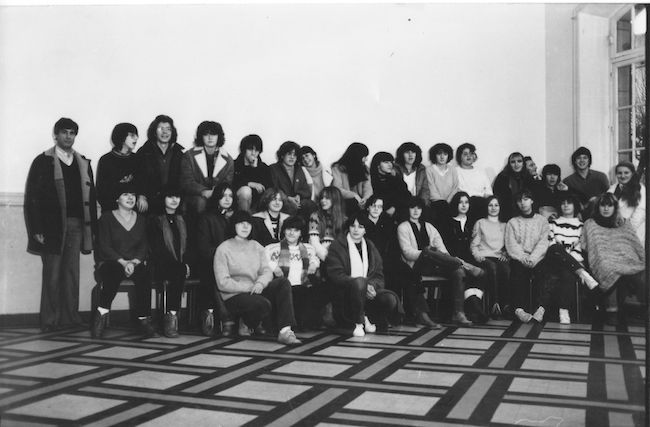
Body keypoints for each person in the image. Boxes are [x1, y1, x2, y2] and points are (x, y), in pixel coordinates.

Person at [24, 118, 97, 332]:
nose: (68, 136)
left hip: (76, 225)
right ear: (55, 135)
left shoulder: (83, 162)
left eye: (72, 133)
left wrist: (92, 230)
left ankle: (70, 318)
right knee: (53, 273)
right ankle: (50, 320)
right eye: (64, 132)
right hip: (52, 227)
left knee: (72, 273)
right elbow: (32, 198)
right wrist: (37, 229)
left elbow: (91, 198)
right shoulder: (43, 161)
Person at [214, 210, 302, 344]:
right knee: (262, 304)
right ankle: (246, 321)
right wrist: (249, 287)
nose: (245, 227)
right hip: (234, 295)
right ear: (233, 226)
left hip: (256, 289)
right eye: (241, 223)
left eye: (248, 224)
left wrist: (260, 283)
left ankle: (285, 331)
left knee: (283, 283)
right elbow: (222, 282)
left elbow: (266, 271)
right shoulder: (223, 249)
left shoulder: (256, 246)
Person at [92, 183, 156, 339]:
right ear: (117, 199)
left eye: (133, 195)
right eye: (125, 194)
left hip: (134, 263)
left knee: (145, 275)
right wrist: (123, 262)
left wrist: (133, 262)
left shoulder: (141, 219)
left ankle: (144, 320)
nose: (130, 198)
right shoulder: (106, 217)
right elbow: (104, 246)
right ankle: (101, 316)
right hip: (111, 262)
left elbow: (143, 246)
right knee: (112, 273)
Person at [397, 196, 473, 326]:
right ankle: (463, 264)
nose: (416, 211)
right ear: (408, 209)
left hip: (436, 265)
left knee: (458, 272)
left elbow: (443, 251)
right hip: (416, 266)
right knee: (428, 251)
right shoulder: (403, 227)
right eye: (412, 208)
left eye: (419, 208)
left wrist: (437, 255)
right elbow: (407, 253)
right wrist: (426, 253)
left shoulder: (429, 227)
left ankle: (459, 313)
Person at [326, 213, 401, 335]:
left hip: (367, 294)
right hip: (345, 294)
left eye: (360, 227)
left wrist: (371, 286)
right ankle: (358, 323)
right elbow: (336, 275)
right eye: (353, 226)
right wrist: (361, 285)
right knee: (360, 282)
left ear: (365, 230)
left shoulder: (370, 246)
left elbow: (379, 275)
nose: (356, 230)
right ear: (348, 228)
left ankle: (369, 319)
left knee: (390, 299)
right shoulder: (337, 245)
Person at [582, 193, 645, 325]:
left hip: (628, 259)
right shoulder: (590, 224)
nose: (606, 208)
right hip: (604, 261)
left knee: (641, 272)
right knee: (609, 267)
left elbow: (635, 244)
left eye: (609, 205)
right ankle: (612, 311)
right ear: (598, 207)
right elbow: (590, 247)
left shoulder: (624, 223)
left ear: (615, 207)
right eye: (603, 205)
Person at [537, 193, 598, 324]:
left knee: (567, 272)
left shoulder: (582, 226)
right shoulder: (552, 223)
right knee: (555, 248)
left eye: (569, 203)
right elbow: (550, 244)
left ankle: (563, 310)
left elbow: (581, 246)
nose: (565, 205)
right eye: (563, 203)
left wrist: (567, 257)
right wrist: (565, 254)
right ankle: (582, 273)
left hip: (571, 263)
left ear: (575, 206)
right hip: (554, 260)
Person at [265, 216, 325, 330]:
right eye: (289, 229)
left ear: (301, 233)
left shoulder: (308, 248)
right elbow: (264, 260)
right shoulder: (272, 248)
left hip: (302, 287)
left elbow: (315, 259)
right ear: (284, 230)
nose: (292, 233)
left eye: (296, 230)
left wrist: (313, 264)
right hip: (282, 290)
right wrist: (274, 266)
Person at [147, 186, 191, 338]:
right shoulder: (155, 220)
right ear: (163, 199)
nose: (174, 200)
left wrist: (186, 263)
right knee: (178, 270)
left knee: (181, 269)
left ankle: (171, 315)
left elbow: (189, 246)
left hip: (180, 264)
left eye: (177, 197)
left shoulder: (183, 219)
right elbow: (156, 249)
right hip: (159, 264)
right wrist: (179, 265)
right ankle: (171, 317)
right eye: (170, 197)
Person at [196, 183, 235, 337]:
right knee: (215, 274)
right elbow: (203, 248)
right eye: (223, 196)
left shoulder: (235, 218)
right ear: (216, 197)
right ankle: (224, 319)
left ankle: (247, 319)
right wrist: (223, 258)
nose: (227, 199)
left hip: (233, 262)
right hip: (211, 261)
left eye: (230, 196)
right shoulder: (206, 217)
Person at [505, 189, 550, 323]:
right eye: (519, 200)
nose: (523, 203)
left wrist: (533, 258)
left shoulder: (542, 221)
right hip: (519, 258)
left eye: (526, 199)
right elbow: (511, 244)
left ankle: (540, 309)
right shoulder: (512, 222)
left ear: (532, 201)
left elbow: (544, 242)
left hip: (538, 257)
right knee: (517, 272)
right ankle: (519, 309)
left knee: (544, 272)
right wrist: (523, 257)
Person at [442, 192, 488, 323]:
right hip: (453, 261)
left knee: (483, 271)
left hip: (471, 260)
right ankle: (474, 309)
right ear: (455, 204)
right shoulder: (447, 222)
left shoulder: (473, 222)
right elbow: (446, 248)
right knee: (464, 273)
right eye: (460, 202)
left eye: (466, 202)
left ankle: (474, 307)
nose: (464, 205)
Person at [180, 121, 234, 216]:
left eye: (213, 134)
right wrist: (203, 191)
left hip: (218, 197)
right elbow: (187, 182)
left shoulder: (228, 160)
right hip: (195, 197)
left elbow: (227, 183)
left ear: (219, 136)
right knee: (201, 202)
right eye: (206, 134)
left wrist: (216, 193)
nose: (210, 137)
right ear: (201, 136)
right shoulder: (189, 156)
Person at [135, 115, 185, 215]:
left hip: (172, 198)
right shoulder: (144, 152)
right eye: (161, 128)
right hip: (151, 198)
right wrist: (141, 196)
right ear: (154, 131)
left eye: (168, 129)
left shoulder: (178, 152)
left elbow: (182, 179)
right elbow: (139, 177)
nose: (165, 132)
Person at [471, 196, 511, 319]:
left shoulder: (505, 225)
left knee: (506, 269)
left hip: (498, 257)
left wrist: (505, 254)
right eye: (490, 205)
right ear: (486, 207)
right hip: (484, 257)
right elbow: (474, 244)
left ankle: (505, 305)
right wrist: (477, 256)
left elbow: (509, 244)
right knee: (492, 267)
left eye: (496, 205)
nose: (493, 208)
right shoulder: (480, 223)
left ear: (500, 207)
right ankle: (494, 305)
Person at [96, 123, 140, 212]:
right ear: (122, 136)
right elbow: (102, 190)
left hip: (134, 211)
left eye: (136, 135)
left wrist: (142, 197)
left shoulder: (137, 158)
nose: (136, 138)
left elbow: (142, 184)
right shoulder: (106, 160)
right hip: (112, 210)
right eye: (132, 135)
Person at [269, 141, 315, 216]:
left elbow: (306, 190)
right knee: (291, 208)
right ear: (282, 155)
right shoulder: (273, 168)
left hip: (298, 202)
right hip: (281, 201)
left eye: (295, 155)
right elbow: (273, 189)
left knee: (311, 205)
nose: (292, 157)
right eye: (289, 154)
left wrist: (299, 196)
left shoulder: (299, 169)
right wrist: (287, 198)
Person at [562, 147, 609, 217]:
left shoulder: (601, 176)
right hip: (578, 216)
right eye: (578, 158)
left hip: (600, 215)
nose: (582, 160)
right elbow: (567, 202)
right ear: (574, 161)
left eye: (585, 158)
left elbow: (609, 198)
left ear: (589, 160)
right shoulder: (568, 181)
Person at [232, 134, 273, 212]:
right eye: (250, 149)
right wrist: (249, 183)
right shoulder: (235, 164)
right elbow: (233, 183)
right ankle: (244, 217)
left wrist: (255, 169)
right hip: (238, 203)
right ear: (244, 150)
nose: (253, 153)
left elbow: (268, 186)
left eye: (256, 150)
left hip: (258, 204)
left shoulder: (263, 167)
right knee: (245, 191)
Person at [608, 161, 645, 242]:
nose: (623, 176)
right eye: (619, 173)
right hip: (614, 231)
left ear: (632, 173)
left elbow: (640, 212)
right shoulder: (612, 188)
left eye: (626, 173)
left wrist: (626, 230)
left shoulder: (640, 189)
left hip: (633, 232)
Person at [331, 142, 373, 214]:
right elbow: (337, 188)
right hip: (343, 202)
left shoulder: (365, 169)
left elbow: (368, 187)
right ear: (357, 156)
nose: (366, 159)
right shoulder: (337, 168)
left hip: (361, 202)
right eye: (364, 156)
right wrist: (354, 195)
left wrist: (365, 198)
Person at [455, 143, 492, 221]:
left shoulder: (481, 171)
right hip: (465, 204)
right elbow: (456, 190)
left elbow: (488, 191)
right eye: (465, 154)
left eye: (471, 153)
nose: (469, 156)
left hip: (481, 203)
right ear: (460, 156)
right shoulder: (455, 171)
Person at [493, 152, 534, 222]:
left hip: (526, 211)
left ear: (523, 163)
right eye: (513, 162)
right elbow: (498, 197)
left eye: (519, 161)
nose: (516, 164)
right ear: (509, 164)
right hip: (507, 213)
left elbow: (533, 196)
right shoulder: (502, 177)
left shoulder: (528, 177)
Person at [369, 152, 411, 220]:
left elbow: (407, 195)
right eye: (386, 162)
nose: (390, 165)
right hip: (377, 212)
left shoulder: (396, 179)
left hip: (397, 211)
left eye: (391, 162)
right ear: (378, 165)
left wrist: (394, 207)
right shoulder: (371, 180)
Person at [309, 186, 346, 262]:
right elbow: (314, 242)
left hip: (338, 256)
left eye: (327, 198)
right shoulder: (315, 216)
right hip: (319, 256)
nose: (323, 200)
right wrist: (329, 259)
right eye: (322, 198)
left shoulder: (344, 220)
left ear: (335, 199)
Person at [425, 142, 458, 227]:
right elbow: (431, 189)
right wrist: (443, 202)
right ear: (434, 155)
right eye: (439, 154)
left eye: (445, 154)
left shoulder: (452, 169)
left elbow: (455, 187)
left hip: (451, 202)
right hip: (436, 204)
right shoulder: (429, 170)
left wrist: (448, 201)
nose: (442, 157)